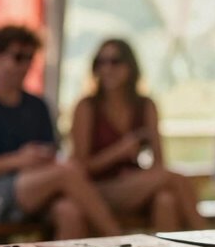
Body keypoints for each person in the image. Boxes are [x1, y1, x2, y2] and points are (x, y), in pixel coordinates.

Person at [0, 26, 121, 239]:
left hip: (34, 192)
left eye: (29, 58)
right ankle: (121, 241)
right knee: (68, 171)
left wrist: (39, 158)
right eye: (17, 57)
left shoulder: (38, 106)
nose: (24, 65)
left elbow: (51, 153)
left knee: (70, 212)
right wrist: (17, 160)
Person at [70, 39, 205, 232]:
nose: (107, 68)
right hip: (99, 189)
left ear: (130, 66)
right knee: (175, 179)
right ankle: (207, 239)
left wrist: (139, 178)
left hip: (136, 185)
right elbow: (79, 168)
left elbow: (159, 162)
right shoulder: (86, 107)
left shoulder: (146, 105)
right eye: (101, 62)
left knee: (165, 200)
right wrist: (118, 152)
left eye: (115, 61)